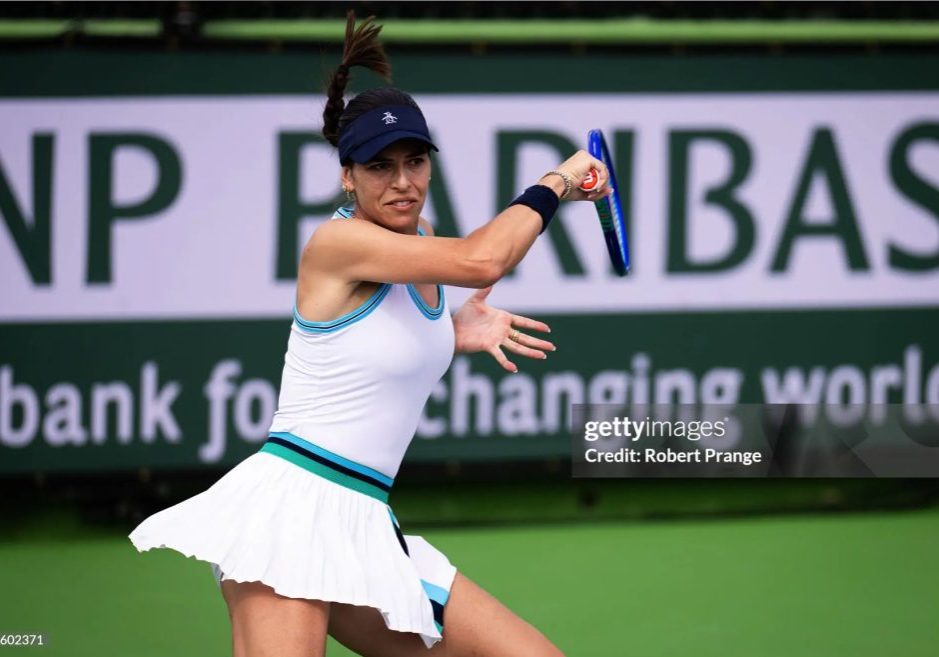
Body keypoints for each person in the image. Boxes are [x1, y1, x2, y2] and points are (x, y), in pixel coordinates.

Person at [129, 11, 610, 657]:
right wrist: (558, 180)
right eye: (379, 167)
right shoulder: (338, 243)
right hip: (291, 512)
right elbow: (484, 260)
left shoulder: (421, 255)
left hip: (365, 523)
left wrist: (444, 331)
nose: (402, 181)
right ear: (346, 175)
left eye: (414, 161)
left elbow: (427, 302)